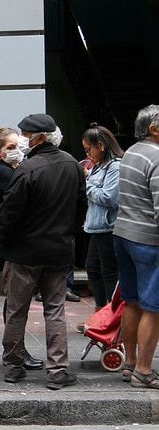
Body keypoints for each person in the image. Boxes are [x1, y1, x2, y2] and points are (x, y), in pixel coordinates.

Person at [0, 113, 84, 390]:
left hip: (24, 252)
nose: (22, 140)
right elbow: (80, 207)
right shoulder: (72, 164)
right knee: (55, 311)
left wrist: (6, 240)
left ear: (40, 138)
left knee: (16, 310)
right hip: (58, 250)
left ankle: (13, 366)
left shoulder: (27, 169)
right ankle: (58, 369)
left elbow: (8, 215)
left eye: (26, 135)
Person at [0, 126, 44, 372]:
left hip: (17, 243)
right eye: (10, 148)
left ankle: (17, 349)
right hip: (10, 245)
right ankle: (16, 351)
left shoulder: (16, 169)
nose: (16, 152)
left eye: (18, 147)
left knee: (16, 301)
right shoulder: (3, 173)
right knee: (14, 302)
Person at [115, 104, 159, 388]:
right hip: (149, 241)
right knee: (154, 307)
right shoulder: (157, 157)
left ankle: (130, 363)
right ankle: (144, 369)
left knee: (131, 301)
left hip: (124, 234)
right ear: (154, 129)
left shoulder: (132, 151)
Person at [81, 124, 124, 311]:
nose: (88, 153)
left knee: (108, 272)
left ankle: (111, 314)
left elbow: (109, 197)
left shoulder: (115, 167)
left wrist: (87, 183)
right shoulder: (99, 167)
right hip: (96, 227)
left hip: (108, 228)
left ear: (101, 145)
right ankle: (101, 310)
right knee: (92, 269)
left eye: (89, 149)